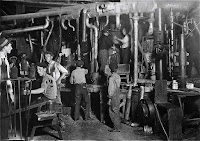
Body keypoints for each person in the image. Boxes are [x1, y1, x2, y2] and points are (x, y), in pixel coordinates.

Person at [0, 37, 14, 139]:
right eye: (10, 45)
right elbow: (5, 78)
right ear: (4, 47)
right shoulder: (2, 59)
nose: (12, 47)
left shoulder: (3, 57)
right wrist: (11, 93)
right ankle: (4, 137)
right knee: (4, 114)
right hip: (2, 90)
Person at [107, 62, 121, 132]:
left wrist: (109, 98)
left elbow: (111, 89)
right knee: (116, 111)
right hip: (117, 95)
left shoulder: (111, 78)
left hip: (113, 96)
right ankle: (117, 126)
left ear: (110, 69)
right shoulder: (118, 76)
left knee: (112, 111)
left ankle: (116, 128)